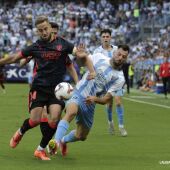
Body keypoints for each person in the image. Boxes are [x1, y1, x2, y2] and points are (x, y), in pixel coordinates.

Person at [0, 16, 95, 161]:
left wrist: (83, 58)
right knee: (35, 120)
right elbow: (14, 58)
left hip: (56, 90)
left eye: (45, 29)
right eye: (40, 30)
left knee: (55, 119)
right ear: (37, 32)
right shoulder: (35, 47)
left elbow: (79, 56)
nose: (43, 32)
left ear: (50, 28)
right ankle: (20, 131)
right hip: (38, 88)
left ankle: (40, 149)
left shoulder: (63, 44)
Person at [48, 44, 129, 157]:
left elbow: (106, 99)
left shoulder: (120, 79)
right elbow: (82, 62)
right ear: (115, 52)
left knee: (81, 136)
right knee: (71, 112)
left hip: (91, 104)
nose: (120, 58)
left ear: (126, 59)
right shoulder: (99, 57)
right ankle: (55, 142)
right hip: (79, 93)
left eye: (124, 57)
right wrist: (80, 56)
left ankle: (63, 140)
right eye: (119, 54)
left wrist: (95, 99)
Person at [93, 29, 127, 136]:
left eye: (107, 36)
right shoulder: (97, 51)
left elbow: (123, 60)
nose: (105, 38)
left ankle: (121, 127)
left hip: (116, 79)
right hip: (105, 81)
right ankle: (110, 122)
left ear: (110, 38)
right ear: (101, 38)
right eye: (103, 36)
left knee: (118, 101)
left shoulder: (117, 49)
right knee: (109, 103)